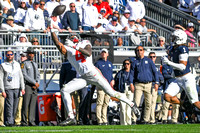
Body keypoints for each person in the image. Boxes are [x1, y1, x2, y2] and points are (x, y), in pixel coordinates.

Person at [51, 31, 140, 126]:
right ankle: (71, 117)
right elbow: (57, 43)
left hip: (93, 74)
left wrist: (75, 46)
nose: (70, 39)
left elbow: (88, 53)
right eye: (70, 38)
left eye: (72, 37)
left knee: (111, 92)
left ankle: (131, 104)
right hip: (83, 77)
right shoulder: (68, 49)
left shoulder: (84, 43)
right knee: (65, 90)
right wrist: (51, 29)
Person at [161, 29, 200, 114]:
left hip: (186, 78)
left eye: (174, 37)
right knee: (167, 96)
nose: (172, 39)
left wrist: (168, 62)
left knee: (196, 102)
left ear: (179, 38)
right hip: (178, 79)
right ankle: (185, 104)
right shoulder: (172, 49)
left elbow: (182, 66)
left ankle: (189, 104)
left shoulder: (182, 48)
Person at [131, 46, 159, 124]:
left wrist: (156, 82)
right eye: (138, 50)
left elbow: (155, 72)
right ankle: (134, 119)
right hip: (138, 84)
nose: (139, 51)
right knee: (136, 102)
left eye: (141, 50)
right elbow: (131, 74)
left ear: (143, 51)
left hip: (148, 84)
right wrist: (131, 83)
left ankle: (146, 119)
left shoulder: (149, 61)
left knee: (148, 103)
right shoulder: (135, 62)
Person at [0, 50, 25, 126]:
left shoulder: (17, 64)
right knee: (9, 105)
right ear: (6, 56)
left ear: (13, 55)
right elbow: (0, 78)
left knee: (16, 105)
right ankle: (9, 121)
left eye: (11, 54)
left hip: (17, 87)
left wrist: (22, 87)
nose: (10, 56)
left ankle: (13, 120)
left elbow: (21, 76)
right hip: (8, 87)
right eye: (8, 55)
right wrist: (3, 90)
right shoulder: (3, 65)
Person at [21, 47, 40, 126]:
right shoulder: (23, 63)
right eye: (29, 54)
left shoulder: (35, 64)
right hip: (28, 86)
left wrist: (37, 83)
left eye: (32, 54)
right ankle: (24, 121)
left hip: (35, 86)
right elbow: (24, 75)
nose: (31, 55)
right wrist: (34, 82)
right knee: (26, 104)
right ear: (27, 54)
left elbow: (38, 75)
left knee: (32, 105)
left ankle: (32, 121)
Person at [94, 48, 114, 125]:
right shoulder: (98, 63)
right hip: (101, 86)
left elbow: (111, 74)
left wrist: (112, 80)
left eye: (105, 52)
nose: (103, 54)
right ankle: (99, 120)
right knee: (100, 103)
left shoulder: (109, 63)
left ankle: (104, 119)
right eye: (102, 52)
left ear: (107, 54)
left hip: (108, 86)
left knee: (106, 103)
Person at [114, 59, 134, 125]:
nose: (126, 65)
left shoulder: (132, 72)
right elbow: (116, 81)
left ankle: (128, 122)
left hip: (130, 89)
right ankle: (123, 123)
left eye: (128, 64)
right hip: (122, 89)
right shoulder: (120, 72)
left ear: (130, 64)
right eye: (125, 64)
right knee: (123, 107)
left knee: (129, 106)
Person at [148, 52, 164, 124]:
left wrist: (158, 84)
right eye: (151, 57)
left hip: (155, 87)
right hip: (147, 86)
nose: (152, 58)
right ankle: (147, 118)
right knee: (148, 103)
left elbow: (161, 78)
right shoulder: (146, 66)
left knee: (154, 103)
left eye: (153, 57)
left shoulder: (156, 67)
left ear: (155, 57)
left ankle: (152, 119)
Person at [14, 52, 27, 126]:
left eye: (24, 56)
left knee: (25, 106)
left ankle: (26, 120)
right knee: (19, 106)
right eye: (21, 56)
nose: (22, 57)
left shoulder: (28, 64)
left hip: (26, 86)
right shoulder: (18, 65)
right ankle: (18, 121)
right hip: (20, 87)